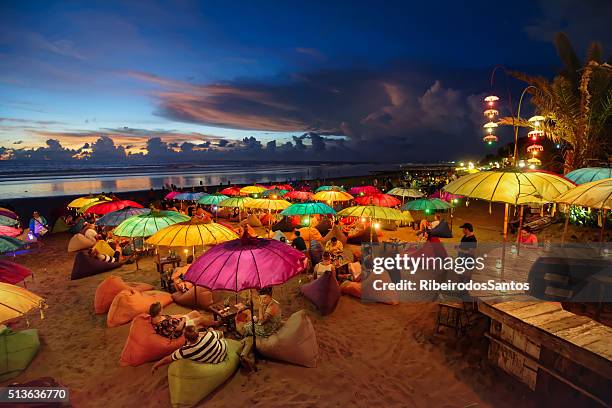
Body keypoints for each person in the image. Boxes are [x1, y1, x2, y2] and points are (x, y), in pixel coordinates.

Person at [152, 325, 227, 373]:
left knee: (211, 331)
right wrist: (211, 331)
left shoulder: (184, 351)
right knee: (211, 329)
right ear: (198, 334)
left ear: (186, 339)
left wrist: (156, 365)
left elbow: (167, 359)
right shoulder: (210, 335)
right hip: (223, 351)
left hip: (214, 361)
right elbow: (221, 333)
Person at [149, 302, 215, 340]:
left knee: (195, 312)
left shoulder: (156, 317)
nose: (162, 310)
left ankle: (205, 327)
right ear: (158, 312)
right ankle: (215, 323)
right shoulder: (162, 324)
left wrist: (181, 317)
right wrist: (183, 320)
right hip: (182, 326)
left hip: (178, 321)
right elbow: (178, 329)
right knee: (201, 319)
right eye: (161, 309)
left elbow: (171, 317)